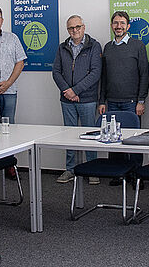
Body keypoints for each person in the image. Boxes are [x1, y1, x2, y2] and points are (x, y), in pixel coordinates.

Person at [99, 11, 149, 183]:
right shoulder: (108, 47)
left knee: (134, 140)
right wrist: (101, 101)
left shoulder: (138, 45)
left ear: (128, 26)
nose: (118, 26)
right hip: (112, 102)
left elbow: (145, 75)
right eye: (115, 23)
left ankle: (136, 175)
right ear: (112, 26)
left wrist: (141, 101)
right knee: (113, 140)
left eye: (122, 23)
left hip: (131, 103)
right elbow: (104, 77)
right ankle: (117, 173)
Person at [52, 15, 102, 185]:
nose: (74, 31)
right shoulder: (62, 47)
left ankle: (92, 168)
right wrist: (68, 91)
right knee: (69, 135)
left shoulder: (94, 46)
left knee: (90, 135)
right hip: (67, 100)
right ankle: (70, 169)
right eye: (71, 28)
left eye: (77, 27)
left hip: (87, 99)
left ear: (84, 27)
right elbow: (56, 72)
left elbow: (95, 72)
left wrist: (75, 90)